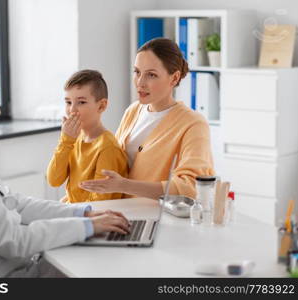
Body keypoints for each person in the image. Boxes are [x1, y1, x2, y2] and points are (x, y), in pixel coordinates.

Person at [0, 59, 130, 277]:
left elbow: (14, 204)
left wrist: (84, 213)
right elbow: (14, 240)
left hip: (13, 264)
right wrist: (88, 226)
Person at [80, 38, 215, 200]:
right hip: (120, 213)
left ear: (174, 78)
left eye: (151, 75)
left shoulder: (193, 124)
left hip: (156, 219)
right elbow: (115, 163)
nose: (140, 83)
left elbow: (192, 186)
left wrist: (124, 185)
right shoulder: (133, 111)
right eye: (137, 72)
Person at [46, 70, 128, 203]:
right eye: (68, 102)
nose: (72, 110)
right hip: (77, 213)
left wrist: (69, 209)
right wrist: (65, 141)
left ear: (101, 106)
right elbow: (54, 180)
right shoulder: (73, 140)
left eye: (81, 102)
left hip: (94, 217)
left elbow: (99, 202)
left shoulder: (107, 148)